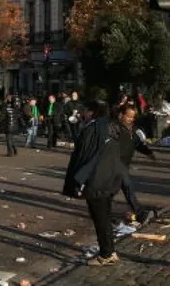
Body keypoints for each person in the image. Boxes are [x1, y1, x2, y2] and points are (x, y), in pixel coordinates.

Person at [63, 100, 124, 266]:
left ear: (93, 112)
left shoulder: (92, 129)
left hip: (96, 179)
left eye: (88, 111)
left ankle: (106, 254)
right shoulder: (114, 127)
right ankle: (110, 250)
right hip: (111, 177)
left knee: (100, 217)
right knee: (105, 215)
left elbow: (82, 154)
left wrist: (76, 179)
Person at [115, 103, 157, 225]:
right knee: (128, 187)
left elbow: (137, 143)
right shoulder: (115, 129)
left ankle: (101, 210)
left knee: (113, 189)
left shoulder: (132, 130)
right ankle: (140, 213)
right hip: (116, 163)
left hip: (124, 164)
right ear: (120, 115)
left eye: (133, 117)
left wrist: (149, 153)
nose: (131, 119)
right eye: (128, 116)